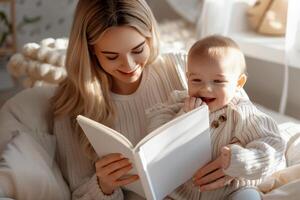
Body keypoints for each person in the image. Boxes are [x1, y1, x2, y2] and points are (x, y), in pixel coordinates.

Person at [0, 0, 189, 199]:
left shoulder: (182, 69)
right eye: (111, 56)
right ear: (91, 51)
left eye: (138, 49)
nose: (129, 65)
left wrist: (227, 160)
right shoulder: (75, 105)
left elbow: (225, 119)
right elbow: (79, 193)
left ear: (150, 36)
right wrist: (103, 185)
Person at [146, 35, 286, 200]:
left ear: (239, 83)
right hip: (184, 192)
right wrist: (183, 117)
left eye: (218, 81)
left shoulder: (243, 112)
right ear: (187, 78)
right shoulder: (180, 102)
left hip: (231, 190)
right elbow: (155, 131)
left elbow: (273, 146)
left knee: (248, 197)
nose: (206, 88)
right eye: (196, 80)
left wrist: (240, 159)